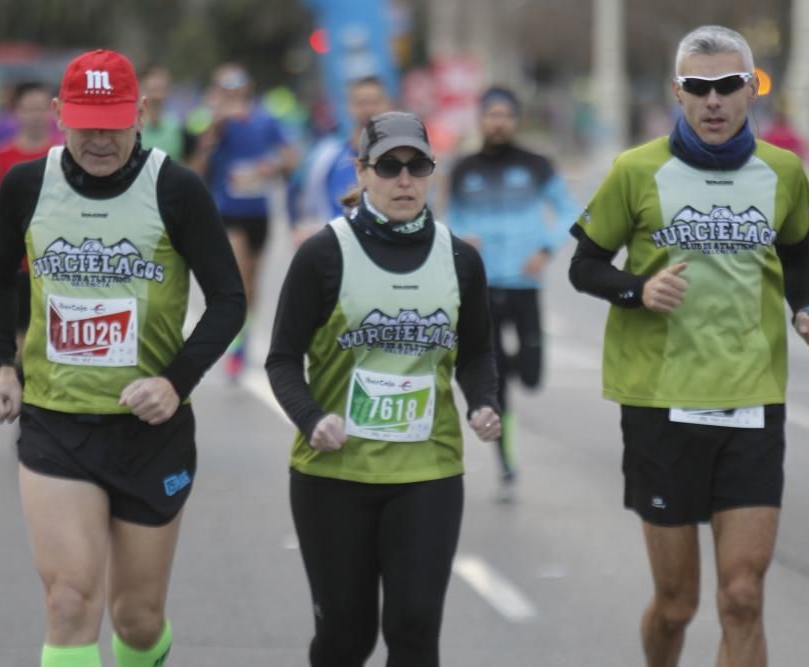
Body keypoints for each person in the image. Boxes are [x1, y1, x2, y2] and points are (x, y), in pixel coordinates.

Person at [567, 26, 809, 667]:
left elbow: (797, 255)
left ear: (750, 89)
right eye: (698, 88)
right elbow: (585, 265)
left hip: (751, 399)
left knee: (742, 596)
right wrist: (637, 290)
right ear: (677, 93)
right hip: (660, 403)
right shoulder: (636, 171)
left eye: (725, 87)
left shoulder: (782, 171)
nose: (712, 101)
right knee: (677, 604)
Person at [0, 49, 245, 667]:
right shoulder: (26, 185)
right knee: (70, 600)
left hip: (150, 432)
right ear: (57, 115)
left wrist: (175, 382)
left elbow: (229, 300)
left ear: (141, 114)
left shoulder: (176, 189)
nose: (99, 139)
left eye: (114, 123)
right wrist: (1, 363)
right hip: (56, 422)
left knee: (137, 619)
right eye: (85, 122)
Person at [266, 111, 501, 667]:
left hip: (428, 472)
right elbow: (280, 360)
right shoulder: (322, 255)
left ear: (431, 173)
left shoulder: (461, 259)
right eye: (388, 166)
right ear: (362, 172)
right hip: (334, 474)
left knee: (415, 627)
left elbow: (477, 352)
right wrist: (310, 416)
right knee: (347, 638)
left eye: (417, 166)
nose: (404, 179)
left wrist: (484, 402)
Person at [447, 85, 578, 499]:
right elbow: (450, 217)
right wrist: (462, 239)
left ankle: (514, 370)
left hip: (525, 282)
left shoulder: (536, 165)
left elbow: (571, 210)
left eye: (505, 114)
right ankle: (505, 459)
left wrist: (545, 248)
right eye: (491, 114)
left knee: (533, 373)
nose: (497, 122)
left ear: (516, 119)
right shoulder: (463, 169)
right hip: (483, 284)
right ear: (481, 119)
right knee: (496, 376)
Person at [189, 62, 298, 379]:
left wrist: (273, 166)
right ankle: (234, 342)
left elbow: (291, 157)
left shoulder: (265, 119)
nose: (232, 95)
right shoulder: (209, 121)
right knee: (239, 275)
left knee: (253, 285)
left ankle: (244, 338)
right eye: (225, 89)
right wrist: (213, 130)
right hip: (227, 211)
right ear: (217, 91)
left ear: (246, 90)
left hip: (259, 211)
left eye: (236, 89)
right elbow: (196, 167)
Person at [0, 81, 60, 361]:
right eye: (29, 108)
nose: (36, 115)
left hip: (57, 267)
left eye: (42, 108)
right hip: (17, 266)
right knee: (20, 344)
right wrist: (18, 219)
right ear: (16, 112)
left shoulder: (64, 156)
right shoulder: (2, 156)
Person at [287, 75, 392, 246]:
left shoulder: (404, 157)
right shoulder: (325, 155)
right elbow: (295, 191)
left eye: (375, 102)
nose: (369, 109)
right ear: (349, 107)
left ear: (388, 105)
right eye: (361, 103)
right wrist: (296, 229)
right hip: (338, 250)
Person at [139, 65, 190, 162]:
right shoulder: (132, 127)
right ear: (142, 87)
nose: (158, 83)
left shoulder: (177, 126)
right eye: (154, 87)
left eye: (162, 86)